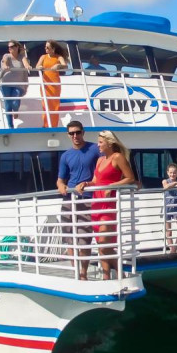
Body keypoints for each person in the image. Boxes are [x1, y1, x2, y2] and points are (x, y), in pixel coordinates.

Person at [74, 130, 135, 280]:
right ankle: (106, 277)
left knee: (104, 244)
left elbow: (130, 178)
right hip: (96, 204)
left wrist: (113, 186)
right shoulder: (100, 160)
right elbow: (96, 180)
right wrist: (86, 183)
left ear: (109, 143)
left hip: (108, 205)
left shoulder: (118, 157)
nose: (98, 145)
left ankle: (121, 273)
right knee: (101, 246)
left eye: (100, 142)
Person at [57, 121, 101, 280]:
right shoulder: (66, 155)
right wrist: (61, 186)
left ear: (83, 132)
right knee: (69, 237)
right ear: (68, 135)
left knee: (84, 238)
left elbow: (102, 171)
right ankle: (76, 271)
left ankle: (83, 273)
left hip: (87, 199)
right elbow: (60, 179)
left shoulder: (95, 149)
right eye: (71, 133)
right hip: (69, 200)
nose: (75, 136)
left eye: (77, 132)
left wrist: (89, 184)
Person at [0, 41, 31, 128]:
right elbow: (5, 62)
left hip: (18, 84)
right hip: (5, 82)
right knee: (8, 104)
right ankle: (10, 126)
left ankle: (15, 111)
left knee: (15, 103)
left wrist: (28, 66)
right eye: (9, 47)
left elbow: (25, 63)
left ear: (17, 47)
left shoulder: (22, 57)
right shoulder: (7, 56)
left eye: (12, 46)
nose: (10, 48)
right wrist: (5, 66)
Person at [36, 39, 67, 128]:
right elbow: (37, 66)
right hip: (45, 83)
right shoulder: (43, 57)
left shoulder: (58, 57)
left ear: (53, 49)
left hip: (55, 83)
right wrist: (40, 67)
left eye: (48, 47)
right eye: (45, 47)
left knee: (54, 105)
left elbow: (65, 66)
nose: (45, 49)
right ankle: (46, 125)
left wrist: (59, 66)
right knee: (45, 104)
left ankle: (53, 125)